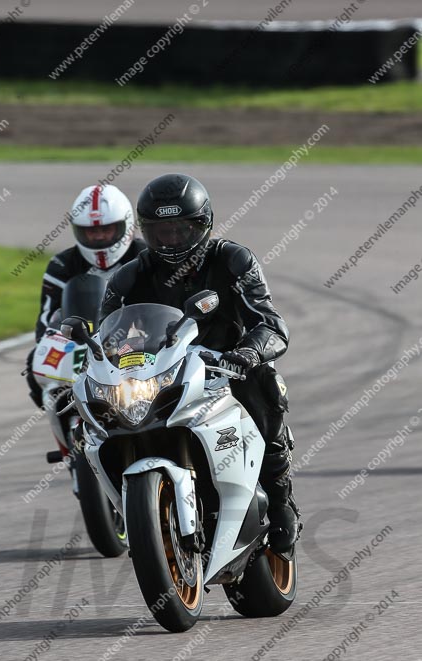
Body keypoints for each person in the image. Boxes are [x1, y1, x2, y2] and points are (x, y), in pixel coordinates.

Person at [99, 173, 302, 555]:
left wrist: (249, 352)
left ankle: (279, 500)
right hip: (160, 374)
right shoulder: (128, 277)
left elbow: (271, 324)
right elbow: (105, 340)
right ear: (146, 231)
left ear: (203, 224)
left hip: (226, 368)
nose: (172, 240)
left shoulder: (232, 259)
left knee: (266, 384)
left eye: (181, 230)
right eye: (161, 232)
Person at [25, 184, 145, 407]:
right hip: (83, 344)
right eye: (91, 231)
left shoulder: (146, 257)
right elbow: (46, 322)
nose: (99, 237)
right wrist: (54, 343)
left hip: (142, 341)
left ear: (125, 226)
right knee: (35, 360)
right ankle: (69, 434)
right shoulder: (62, 264)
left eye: (106, 230)